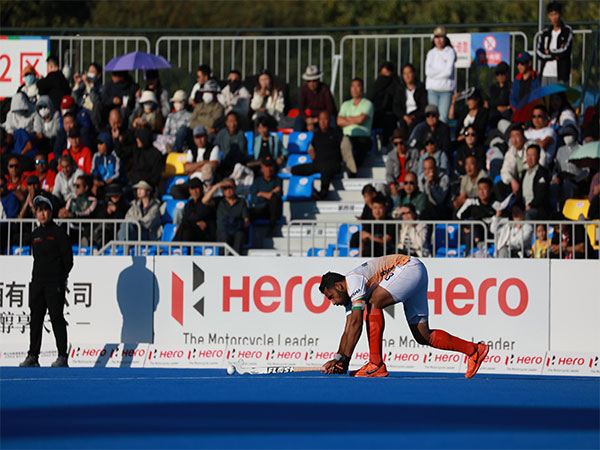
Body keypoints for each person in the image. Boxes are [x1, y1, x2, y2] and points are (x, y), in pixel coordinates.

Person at [318, 255, 489, 378]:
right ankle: (474, 350)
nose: (332, 302)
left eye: (331, 297)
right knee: (423, 335)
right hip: (415, 272)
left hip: (408, 268)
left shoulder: (353, 280)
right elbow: (348, 330)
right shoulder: (350, 298)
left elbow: (356, 323)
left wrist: (345, 358)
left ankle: (376, 364)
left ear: (340, 286)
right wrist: (340, 359)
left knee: (373, 303)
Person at [19, 196, 73, 368]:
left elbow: (68, 260)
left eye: (45, 210)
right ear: (35, 213)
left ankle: (62, 356)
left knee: (56, 317)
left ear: (51, 212)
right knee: (35, 319)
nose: (42, 214)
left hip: (54, 283)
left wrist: (60, 277)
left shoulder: (58, 233)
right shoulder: (35, 235)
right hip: (37, 283)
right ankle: (33, 355)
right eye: (39, 211)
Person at [291, 110, 343, 200]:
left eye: (325, 119)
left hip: (332, 164)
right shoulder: (316, 134)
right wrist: (311, 150)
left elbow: (344, 147)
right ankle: (307, 190)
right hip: (318, 163)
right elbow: (310, 145)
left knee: (325, 169)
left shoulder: (336, 133)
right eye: (320, 119)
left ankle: (323, 192)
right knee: (295, 169)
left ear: (329, 120)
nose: (323, 122)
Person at [337, 78, 374, 176]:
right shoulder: (345, 104)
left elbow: (361, 120)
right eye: (352, 86)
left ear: (362, 88)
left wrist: (347, 119)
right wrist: (355, 120)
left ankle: (352, 172)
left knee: (361, 147)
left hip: (362, 137)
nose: (355, 89)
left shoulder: (368, 104)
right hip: (346, 136)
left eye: (357, 86)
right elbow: (339, 121)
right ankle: (350, 171)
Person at [203, 178, 250, 255]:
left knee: (239, 236)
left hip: (237, 231)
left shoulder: (241, 202)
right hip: (223, 232)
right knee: (224, 237)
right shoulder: (219, 201)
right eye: (225, 188)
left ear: (235, 187)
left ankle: (236, 262)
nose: (228, 190)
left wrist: (236, 223)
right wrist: (217, 186)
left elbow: (247, 221)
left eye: (230, 187)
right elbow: (204, 201)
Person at [536, 1, 573, 85]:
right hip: (546, 73)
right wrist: (554, 55)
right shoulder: (545, 33)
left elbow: (565, 50)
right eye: (551, 15)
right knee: (546, 98)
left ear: (560, 14)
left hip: (560, 74)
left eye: (556, 14)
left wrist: (549, 51)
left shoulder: (567, 30)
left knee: (559, 97)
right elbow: (539, 52)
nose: (554, 18)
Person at [425, 27, 456, 124]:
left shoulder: (450, 52)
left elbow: (448, 72)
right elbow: (428, 72)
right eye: (436, 37)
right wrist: (441, 71)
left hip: (446, 91)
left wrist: (434, 74)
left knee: (443, 118)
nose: (438, 40)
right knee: (432, 117)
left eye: (441, 37)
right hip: (432, 90)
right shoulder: (431, 53)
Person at [514, 144, 551, 220]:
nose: (529, 158)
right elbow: (519, 192)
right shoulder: (524, 173)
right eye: (528, 155)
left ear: (538, 156)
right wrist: (516, 206)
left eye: (533, 155)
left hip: (537, 209)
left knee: (528, 214)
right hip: (524, 207)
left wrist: (530, 206)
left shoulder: (543, 173)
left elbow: (541, 195)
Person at [295, 65, 337, 132]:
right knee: (298, 119)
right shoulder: (305, 89)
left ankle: (333, 138)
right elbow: (301, 108)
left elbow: (330, 109)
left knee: (332, 119)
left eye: (314, 80)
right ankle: (298, 141)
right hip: (311, 117)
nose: (311, 83)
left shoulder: (324, 89)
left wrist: (318, 119)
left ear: (318, 80)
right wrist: (307, 119)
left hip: (325, 116)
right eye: (309, 81)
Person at [173, 178, 216, 242]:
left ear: (201, 189)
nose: (194, 191)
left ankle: (175, 246)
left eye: (196, 188)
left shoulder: (208, 202)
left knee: (187, 226)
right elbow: (185, 219)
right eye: (192, 189)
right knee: (184, 226)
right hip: (189, 233)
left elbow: (202, 215)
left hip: (205, 235)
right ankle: (173, 247)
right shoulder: (189, 204)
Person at [370, 61, 402, 145]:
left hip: (392, 114)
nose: (383, 78)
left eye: (386, 73)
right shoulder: (377, 85)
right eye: (382, 74)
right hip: (377, 113)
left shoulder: (396, 85)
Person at [249, 157, 282, 235]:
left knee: (274, 200)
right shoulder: (257, 181)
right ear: (262, 168)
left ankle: (272, 228)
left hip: (272, 212)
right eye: (266, 166)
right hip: (260, 209)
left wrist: (261, 194)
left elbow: (276, 196)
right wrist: (269, 194)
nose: (268, 169)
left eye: (270, 166)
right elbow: (254, 199)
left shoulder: (278, 180)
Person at [385, 128, 419, 200]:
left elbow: (415, 170)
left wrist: (406, 184)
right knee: (380, 187)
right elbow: (389, 173)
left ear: (405, 142)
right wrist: (392, 185)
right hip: (396, 185)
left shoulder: (414, 152)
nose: (399, 146)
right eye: (396, 144)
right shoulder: (391, 155)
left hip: (411, 184)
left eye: (401, 143)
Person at [393, 63, 428, 135]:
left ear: (414, 74)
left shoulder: (420, 88)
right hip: (404, 116)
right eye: (405, 74)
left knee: (414, 125)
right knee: (402, 125)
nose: (407, 76)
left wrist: (414, 116)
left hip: (417, 117)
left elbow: (423, 106)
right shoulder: (400, 89)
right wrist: (405, 116)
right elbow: (396, 106)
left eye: (409, 73)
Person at [158, 89, 192, 154]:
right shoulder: (170, 116)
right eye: (175, 102)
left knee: (183, 130)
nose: (176, 104)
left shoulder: (190, 116)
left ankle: (174, 150)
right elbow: (165, 132)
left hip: (184, 145)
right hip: (170, 142)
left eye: (178, 101)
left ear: (184, 102)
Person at [214, 112, 247, 178]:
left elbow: (241, 152)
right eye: (230, 121)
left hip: (236, 164)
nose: (232, 124)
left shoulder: (241, 134)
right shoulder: (222, 133)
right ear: (226, 123)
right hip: (224, 163)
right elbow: (215, 146)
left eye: (234, 121)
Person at [91, 131, 122, 197]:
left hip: (113, 183)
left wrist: (105, 182)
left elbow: (117, 173)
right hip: (100, 184)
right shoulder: (96, 156)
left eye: (101, 144)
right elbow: (94, 171)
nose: (98, 146)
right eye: (98, 144)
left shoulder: (114, 155)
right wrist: (95, 181)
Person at [485, 61, 512, 127]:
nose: (500, 76)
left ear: (507, 74)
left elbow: (516, 103)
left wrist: (507, 108)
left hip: (507, 116)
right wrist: (496, 107)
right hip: (493, 117)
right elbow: (486, 104)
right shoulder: (492, 88)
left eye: (502, 73)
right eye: (497, 74)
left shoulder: (512, 87)